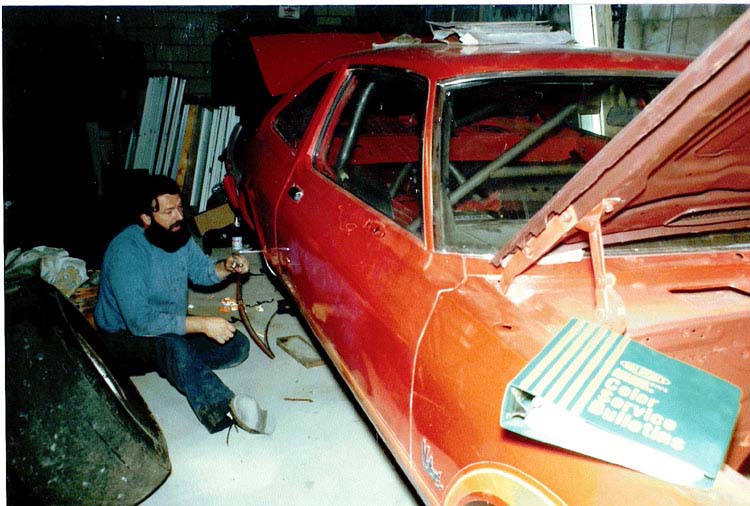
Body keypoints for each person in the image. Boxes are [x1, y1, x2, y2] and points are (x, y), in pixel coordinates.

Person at [94, 174, 273, 435]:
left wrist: (227, 265)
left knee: (236, 345)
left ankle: (178, 363)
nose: (178, 217)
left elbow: (202, 272)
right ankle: (222, 407)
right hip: (123, 339)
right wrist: (201, 324)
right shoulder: (125, 251)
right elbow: (140, 322)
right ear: (145, 218)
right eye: (168, 212)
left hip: (168, 328)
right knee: (174, 345)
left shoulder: (177, 236)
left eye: (179, 208)